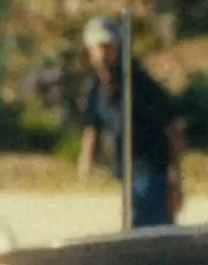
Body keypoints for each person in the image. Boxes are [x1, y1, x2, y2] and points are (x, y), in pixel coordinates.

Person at [75, 15, 187, 227]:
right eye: (97, 48)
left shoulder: (140, 86)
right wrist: (86, 160)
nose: (103, 55)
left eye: (108, 47)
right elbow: (92, 126)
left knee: (148, 226)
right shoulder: (97, 88)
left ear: (118, 49)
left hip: (151, 170)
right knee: (131, 224)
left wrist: (176, 177)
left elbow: (174, 126)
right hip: (125, 170)